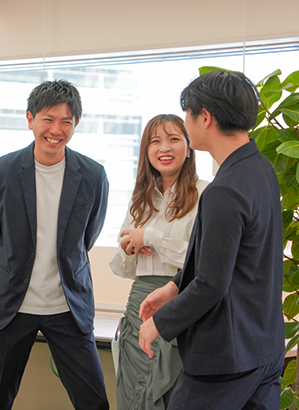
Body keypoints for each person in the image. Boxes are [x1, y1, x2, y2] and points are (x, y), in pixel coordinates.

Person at [138, 71, 285, 409]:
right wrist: (175, 286)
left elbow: (212, 284)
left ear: (205, 117)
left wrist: (158, 324)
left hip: (227, 357)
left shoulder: (225, 189)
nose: (186, 124)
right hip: (263, 346)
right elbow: (235, 259)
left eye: (187, 116)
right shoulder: (260, 170)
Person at [0, 79, 110, 410]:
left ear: (76, 124)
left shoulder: (93, 175)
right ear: (30, 119)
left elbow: (87, 236)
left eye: (66, 121)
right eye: (48, 120)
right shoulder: (2, 171)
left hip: (68, 306)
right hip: (12, 306)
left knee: (93, 401)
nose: (56, 129)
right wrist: (13, 265)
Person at [110, 114, 208, 410]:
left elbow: (200, 257)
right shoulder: (140, 198)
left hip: (180, 304)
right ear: (146, 151)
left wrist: (150, 237)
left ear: (189, 148)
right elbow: (123, 268)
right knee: (132, 395)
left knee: (171, 396)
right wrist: (129, 249)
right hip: (138, 305)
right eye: (155, 141)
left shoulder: (206, 193)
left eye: (173, 139)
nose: (164, 147)